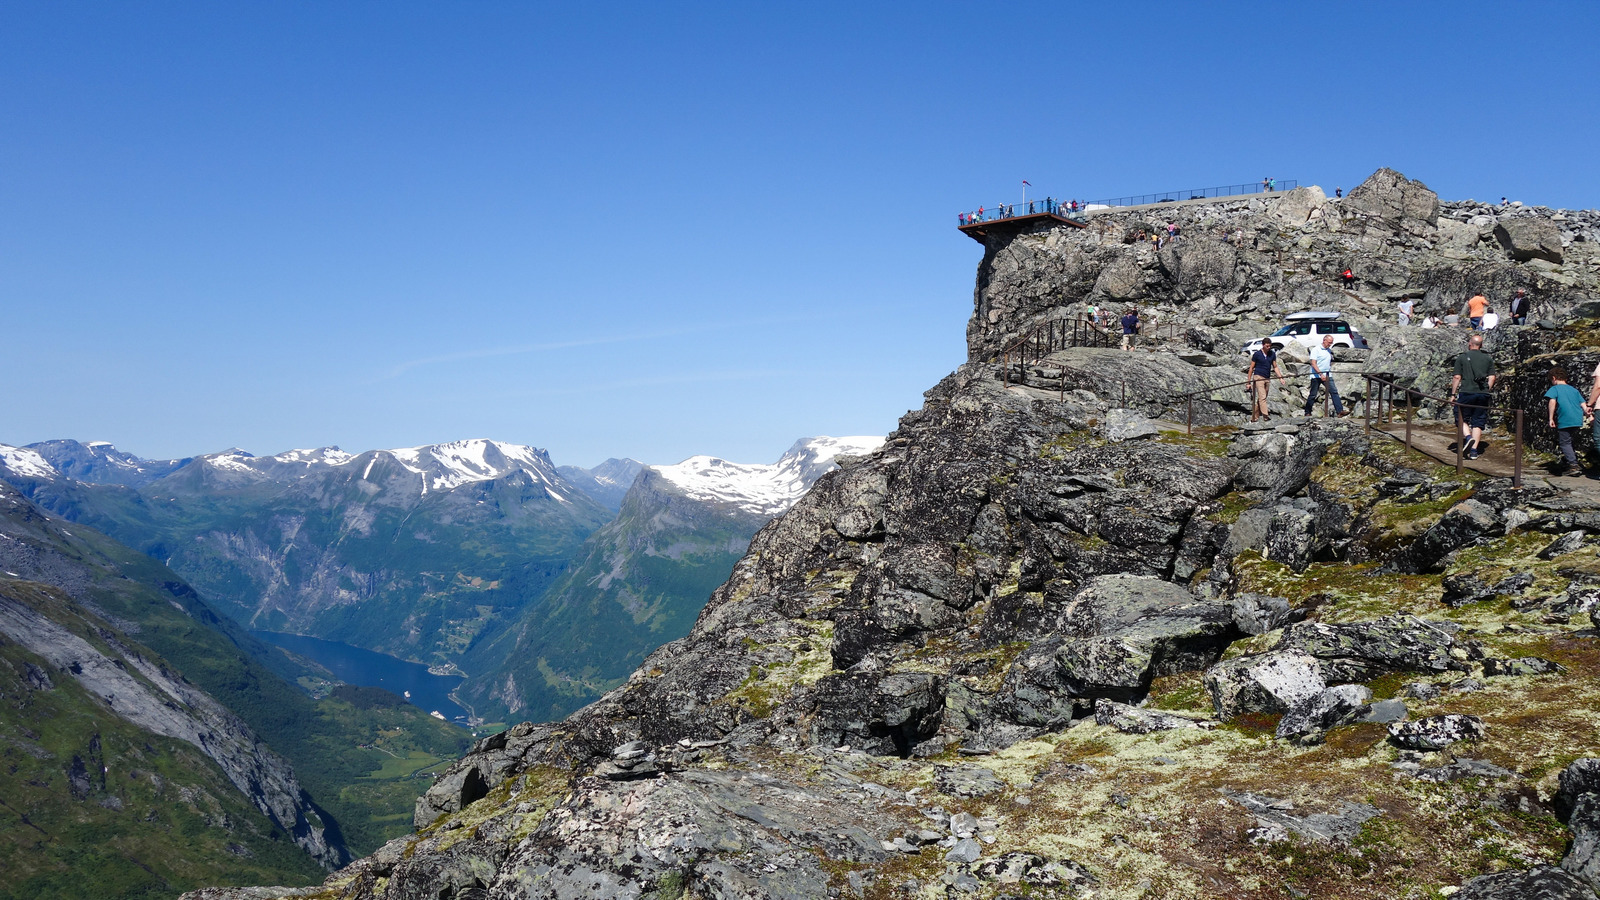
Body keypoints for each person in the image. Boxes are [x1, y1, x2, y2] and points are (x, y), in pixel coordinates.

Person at [1451, 333, 1497, 459]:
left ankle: (1468, 437)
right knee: (1478, 421)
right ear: (1481, 345)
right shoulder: (1488, 359)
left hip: (1466, 391)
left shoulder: (1462, 358)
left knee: (1460, 417)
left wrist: (1453, 394)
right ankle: (1474, 451)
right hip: (1483, 394)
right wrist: (1486, 389)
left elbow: (1457, 377)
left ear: (1469, 344)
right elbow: (1492, 377)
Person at [1546, 365, 1587, 476]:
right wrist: (1587, 412)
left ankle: (1573, 465)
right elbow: (1583, 403)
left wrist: (1550, 418)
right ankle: (1568, 461)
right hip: (1577, 418)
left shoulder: (1554, 389)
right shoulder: (1574, 390)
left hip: (1565, 418)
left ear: (1554, 378)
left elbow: (1552, 402)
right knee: (1570, 440)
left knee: (1565, 443)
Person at [1304, 335, 1349, 418]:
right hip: (1316, 375)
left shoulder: (1328, 350)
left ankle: (1340, 411)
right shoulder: (1316, 350)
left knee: (1334, 391)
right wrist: (1320, 374)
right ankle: (1307, 411)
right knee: (1313, 394)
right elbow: (1313, 363)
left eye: (1331, 343)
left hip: (1327, 374)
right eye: (1329, 343)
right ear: (1324, 340)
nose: (1330, 344)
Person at [1245, 340, 1289, 422]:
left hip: (1267, 378)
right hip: (1258, 377)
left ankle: (1254, 417)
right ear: (1263, 345)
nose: (1268, 348)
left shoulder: (1272, 354)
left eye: (1270, 346)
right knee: (1262, 397)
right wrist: (1248, 382)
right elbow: (1251, 368)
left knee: (1262, 398)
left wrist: (1280, 378)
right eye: (1267, 346)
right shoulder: (1257, 354)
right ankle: (1266, 416)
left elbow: (1275, 367)